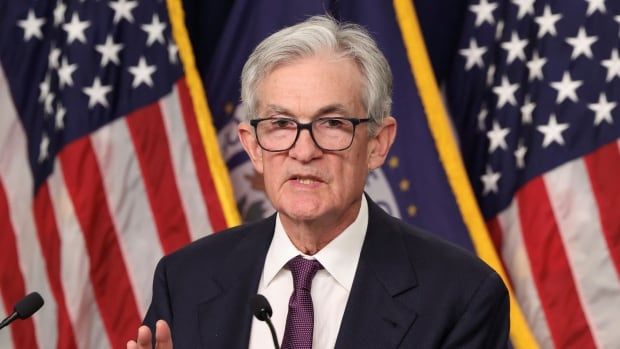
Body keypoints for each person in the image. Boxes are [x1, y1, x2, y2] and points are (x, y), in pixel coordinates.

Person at [127, 15, 509, 349]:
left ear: (378, 144)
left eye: (332, 124)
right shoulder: (185, 279)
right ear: (253, 145)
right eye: (280, 124)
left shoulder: (461, 297)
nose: (304, 150)